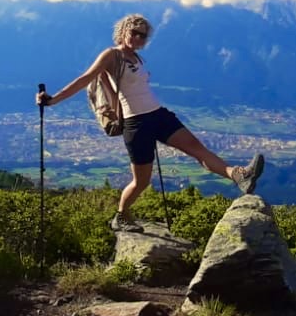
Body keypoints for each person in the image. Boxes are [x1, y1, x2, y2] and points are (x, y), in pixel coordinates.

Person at [37, 12, 265, 231]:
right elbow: (85, 78)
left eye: (143, 35)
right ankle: (121, 215)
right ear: (124, 30)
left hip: (158, 114)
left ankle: (239, 175)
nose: (138, 38)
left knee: (197, 149)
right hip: (136, 124)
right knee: (142, 182)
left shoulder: (137, 57)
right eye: (135, 32)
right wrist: (53, 100)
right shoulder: (111, 55)